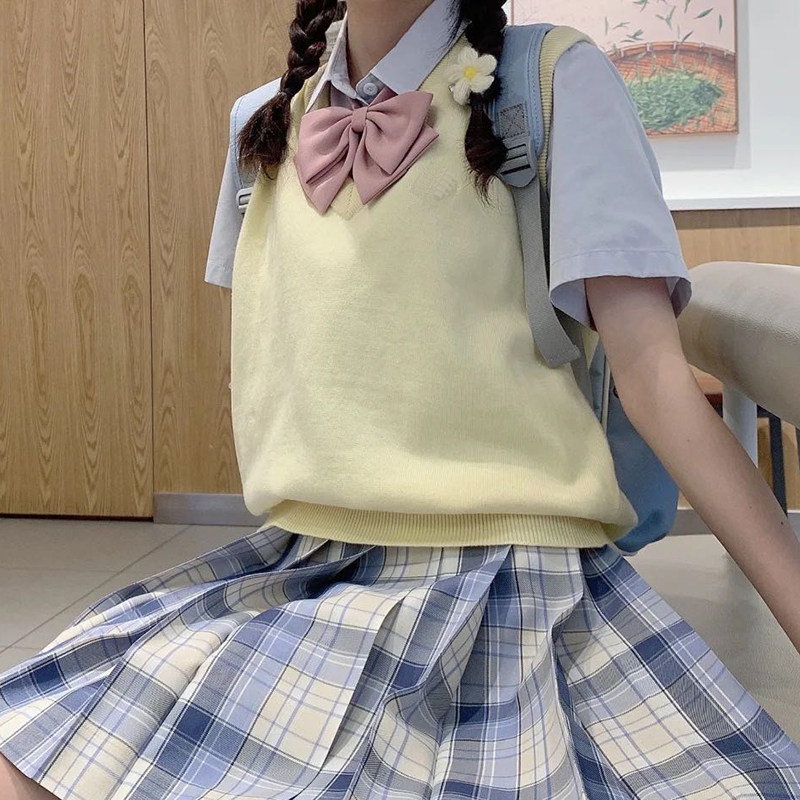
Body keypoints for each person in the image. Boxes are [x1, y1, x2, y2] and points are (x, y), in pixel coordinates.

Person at [2, 0, 799, 797]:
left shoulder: (552, 82)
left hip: (513, 580)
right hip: (308, 567)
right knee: (36, 748)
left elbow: (657, 382)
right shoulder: (264, 123)